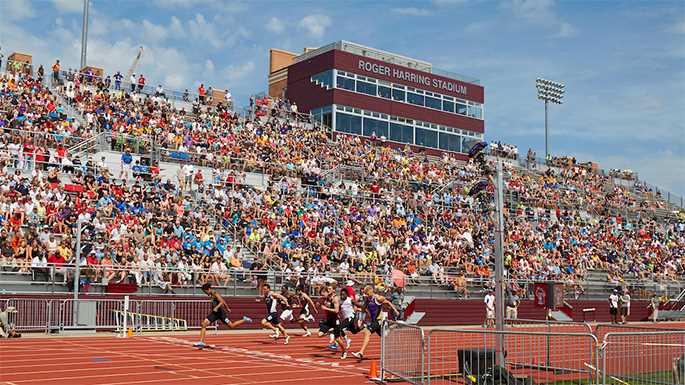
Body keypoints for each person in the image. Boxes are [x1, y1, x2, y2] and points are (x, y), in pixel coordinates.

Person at [194, 283, 252, 348]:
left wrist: (217, 307)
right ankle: (201, 342)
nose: (205, 293)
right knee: (203, 324)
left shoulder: (215, 293)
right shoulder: (211, 294)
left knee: (231, 326)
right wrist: (227, 307)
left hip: (221, 314)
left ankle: (244, 319)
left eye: (205, 291)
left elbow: (221, 301)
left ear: (209, 289)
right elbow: (223, 300)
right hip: (214, 314)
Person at [351, 285, 398, 360]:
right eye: (365, 294)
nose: (366, 296)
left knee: (367, 332)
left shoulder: (378, 298)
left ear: (371, 291)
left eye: (367, 294)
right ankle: (395, 352)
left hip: (379, 320)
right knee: (384, 336)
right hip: (373, 321)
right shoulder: (367, 299)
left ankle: (361, 352)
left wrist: (395, 310)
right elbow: (363, 308)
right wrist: (361, 319)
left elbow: (388, 302)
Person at [318, 286, 347, 356]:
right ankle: (331, 331)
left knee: (337, 339)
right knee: (320, 334)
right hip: (329, 320)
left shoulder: (335, 299)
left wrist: (326, 308)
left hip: (335, 321)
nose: (322, 296)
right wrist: (319, 305)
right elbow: (323, 304)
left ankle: (344, 351)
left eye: (323, 294)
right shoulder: (326, 298)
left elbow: (336, 311)